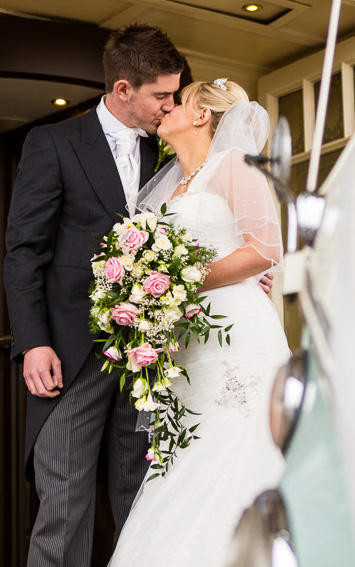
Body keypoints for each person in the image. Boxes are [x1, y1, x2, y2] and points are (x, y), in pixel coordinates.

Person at [4, 23, 184, 566]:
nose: (169, 106)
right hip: (70, 353)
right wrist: (33, 342)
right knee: (63, 506)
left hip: (146, 356)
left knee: (140, 502)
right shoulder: (53, 143)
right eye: (161, 95)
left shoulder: (167, 155)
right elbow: (23, 252)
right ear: (123, 89)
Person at [107, 79, 290, 566]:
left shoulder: (233, 166)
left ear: (202, 115)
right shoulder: (170, 193)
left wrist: (182, 283)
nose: (165, 109)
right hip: (191, 350)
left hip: (239, 338)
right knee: (188, 459)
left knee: (240, 448)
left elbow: (266, 249)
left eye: (177, 102)